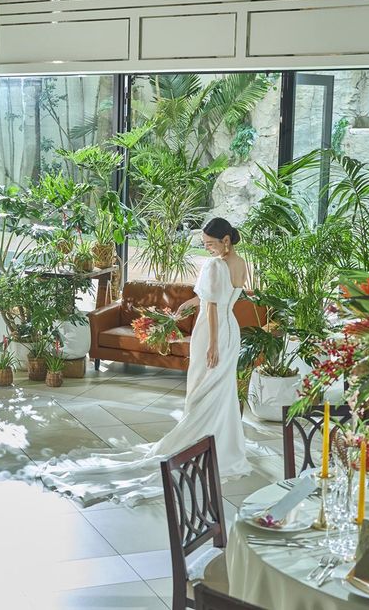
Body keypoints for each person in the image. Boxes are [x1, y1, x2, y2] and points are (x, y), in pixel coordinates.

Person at [21, 217, 252, 507]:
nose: (206, 248)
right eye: (204, 243)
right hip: (231, 333)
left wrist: (212, 345)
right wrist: (189, 304)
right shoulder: (241, 263)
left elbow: (214, 306)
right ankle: (224, 446)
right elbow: (219, 299)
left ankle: (197, 440)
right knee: (221, 388)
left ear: (225, 241)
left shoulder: (215, 265)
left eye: (209, 243)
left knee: (202, 388)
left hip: (212, 333)